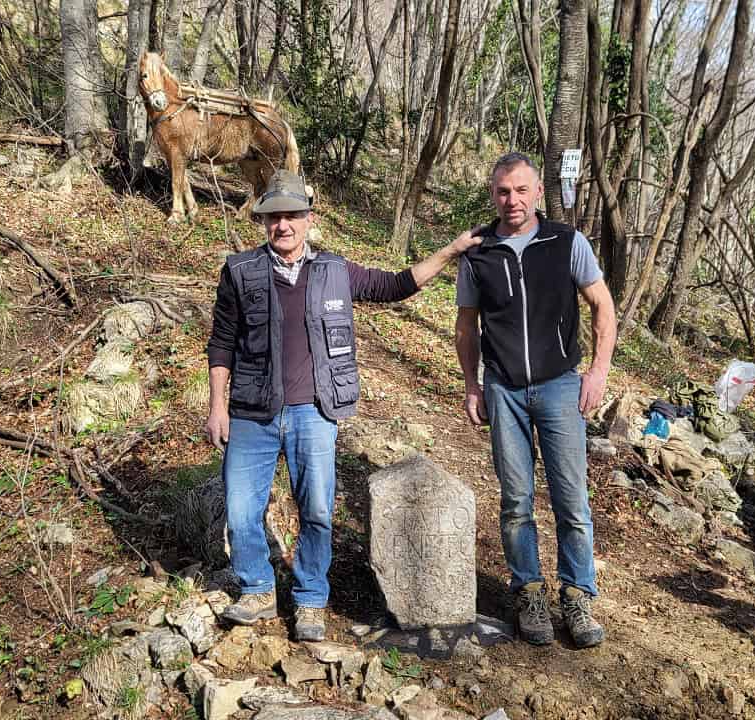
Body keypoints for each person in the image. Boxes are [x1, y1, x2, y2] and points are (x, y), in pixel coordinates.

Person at [206, 169, 480, 642]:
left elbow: (395, 285)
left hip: (315, 412)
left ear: (309, 220)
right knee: (240, 508)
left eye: (292, 215)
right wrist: (217, 406)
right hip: (251, 411)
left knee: (315, 510)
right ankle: (256, 589)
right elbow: (221, 343)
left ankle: (310, 600)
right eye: (274, 217)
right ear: (264, 222)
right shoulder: (240, 271)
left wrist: (450, 252)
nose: (283, 226)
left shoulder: (335, 271)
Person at [454, 152, 617, 648]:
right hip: (503, 388)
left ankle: (577, 594)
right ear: (492, 195)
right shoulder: (478, 252)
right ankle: (528, 590)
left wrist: (598, 372)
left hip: (560, 384)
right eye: (503, 191)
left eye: (521, 190)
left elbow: (603, 306)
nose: (513, 200)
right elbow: (466, 326)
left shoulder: (566, 243)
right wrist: (471, 384)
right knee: (516, 500)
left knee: (571, 500)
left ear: (538, 193)